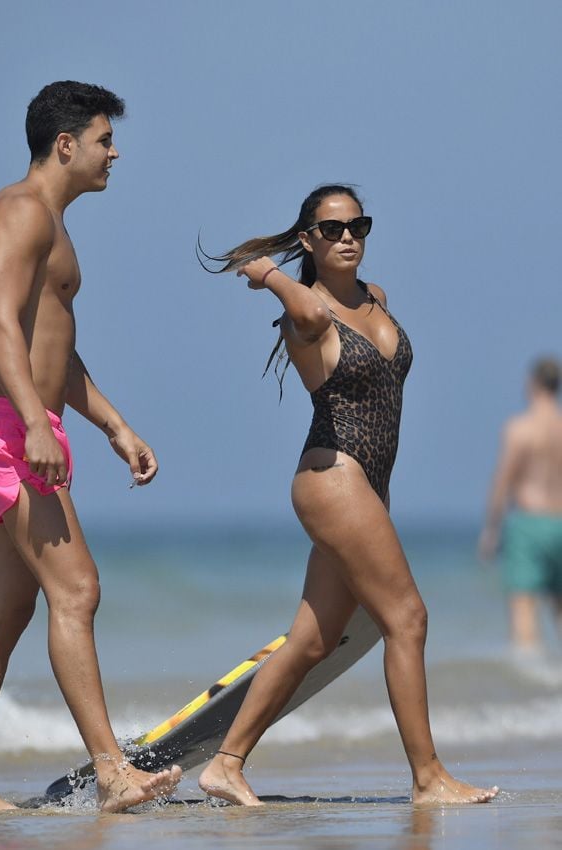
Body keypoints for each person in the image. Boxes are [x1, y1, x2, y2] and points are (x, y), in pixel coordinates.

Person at [197, 184, 499, 806]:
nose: (348, 238)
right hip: (332, 479)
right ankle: (428, 778)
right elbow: (307, 316)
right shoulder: (302, 312)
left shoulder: (375, 298)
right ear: (307, 238)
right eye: (331, 229)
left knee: (311, 640)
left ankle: (225, 765)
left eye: (357, 225)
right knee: (407, 619)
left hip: (366, 486)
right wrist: (269, 277)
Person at [0, 81, 181, 813]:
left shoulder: (52, 225)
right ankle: (111, 772)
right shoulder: (18, 213)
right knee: (78, 588)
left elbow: (56, 352)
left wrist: (113, 426)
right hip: (8, 423)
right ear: (65, 144)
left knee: (3, 612)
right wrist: (35, 423)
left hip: (23, 419)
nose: (115, 152)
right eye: (105, 140)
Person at [478, 357, 562, 651]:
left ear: (534, 383)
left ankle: (532, 674)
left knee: (524, 608)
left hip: (529, 524)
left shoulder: (520, 428)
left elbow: (503, 480)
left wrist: (491, 529)